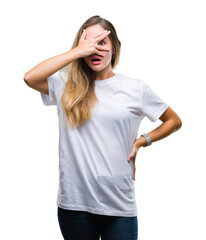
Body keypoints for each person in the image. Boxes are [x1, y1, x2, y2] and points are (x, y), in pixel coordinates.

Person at [24, 15, 182, 240]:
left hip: (118, 203)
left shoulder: (135, 89)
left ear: (114, 47)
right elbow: (30, 78)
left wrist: (142, 140)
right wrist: (76, 52)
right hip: (75, 204)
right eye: (88, 44)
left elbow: (173, 121)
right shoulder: (65, 85)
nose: (94, 50)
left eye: (101, 42)